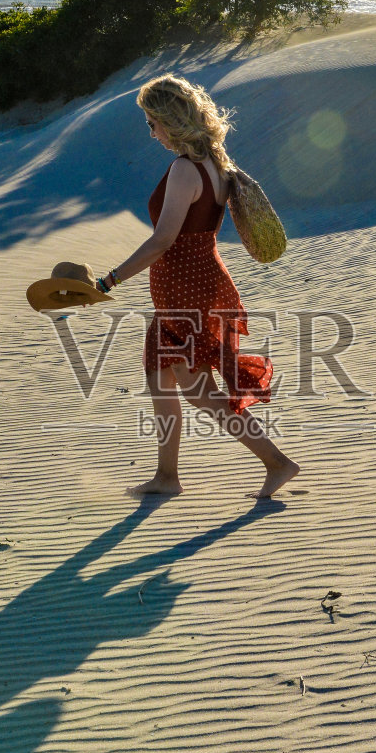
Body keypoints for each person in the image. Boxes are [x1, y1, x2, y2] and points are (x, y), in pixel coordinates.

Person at [95, 74, 300, 499]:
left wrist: (110, 279)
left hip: (188, 291)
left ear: (171, 120)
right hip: (193, 285)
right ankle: (167, 476)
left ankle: (277, 462)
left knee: (200, 391)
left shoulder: (185, 169)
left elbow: (163, 240)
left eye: (152, 123)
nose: (151, 132)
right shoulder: (216, 163)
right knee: (159, 378)